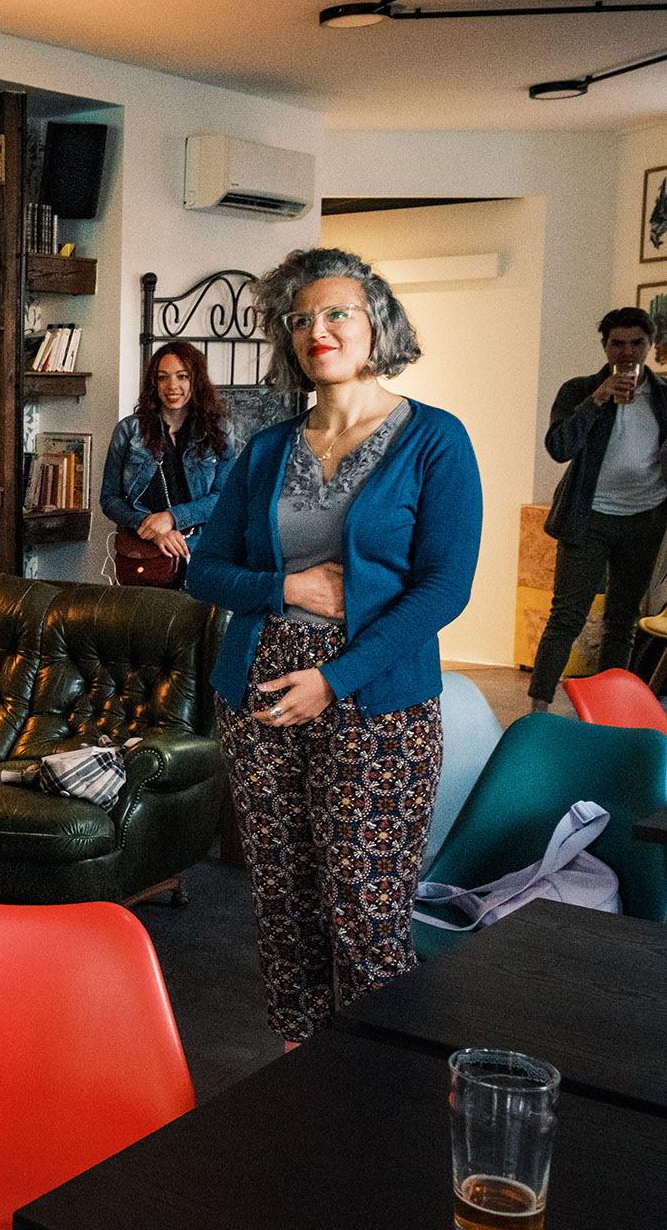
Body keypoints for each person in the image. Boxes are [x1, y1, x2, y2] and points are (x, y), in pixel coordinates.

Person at [185, 247, 481, 1047]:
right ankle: (302, 1073)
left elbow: (445, 588)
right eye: (300, 319)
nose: (317, 330)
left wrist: (335, 677)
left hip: (376, 700)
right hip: (259, 698)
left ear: (376, 324)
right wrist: (287, 586)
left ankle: (382, 1085)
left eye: (336, 313)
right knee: (283, 904)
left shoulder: (435, 440)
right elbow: (206, 570)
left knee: (364, 911)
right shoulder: (267, 449)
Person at [527, 307, 664, 712]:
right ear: (605, 346)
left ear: (650, 345)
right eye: (618, 343)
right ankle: (537, 709)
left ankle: (610, 710)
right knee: (567, 616)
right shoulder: (579, 390)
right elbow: (559, 448)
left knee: (623, 619)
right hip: (588, 519)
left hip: (645, 518)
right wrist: (598, 398)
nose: (628, 352)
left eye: (637, 342)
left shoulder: (664, 396)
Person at [100, 341, 235, 586]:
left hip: (202, 553)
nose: (172, 386)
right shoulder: (129, 431)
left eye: (182, 376)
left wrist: (172, 518)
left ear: (196, 381)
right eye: (163, 377)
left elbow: (225, 498)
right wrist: (151, 528)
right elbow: (110, 499)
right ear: (154, 383)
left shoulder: (219, 431)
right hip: (145, 557)